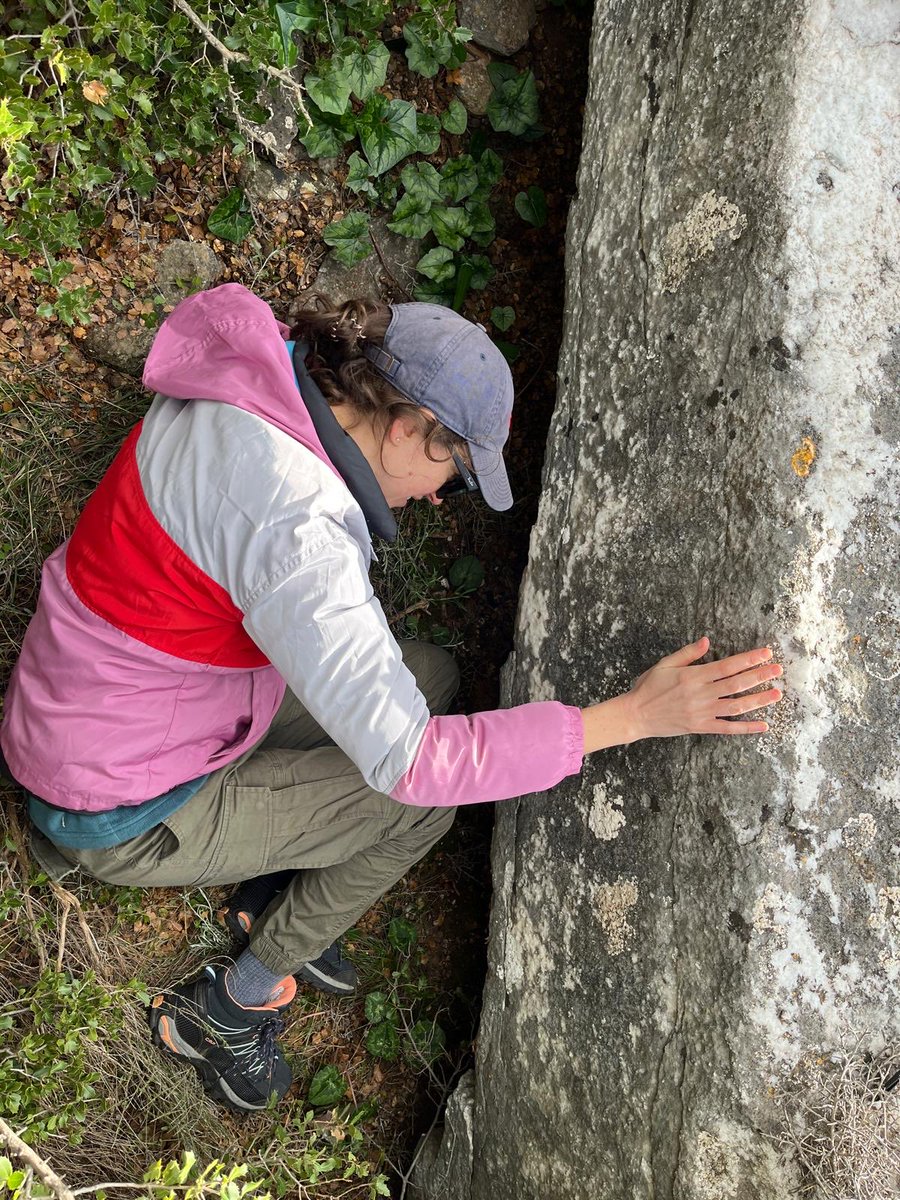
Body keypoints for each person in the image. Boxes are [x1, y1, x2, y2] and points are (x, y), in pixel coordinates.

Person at [0, 283, 783, 1112]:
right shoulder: (300, 538)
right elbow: (410, 762)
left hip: (119, 696)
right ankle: (228, 1008)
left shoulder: (253, 378)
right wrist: (631, 717)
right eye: (451, 463)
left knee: (434, 678)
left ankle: (270, 885)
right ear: (405, 426)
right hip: (116, 799)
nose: (443, 493)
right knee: (416, 806)